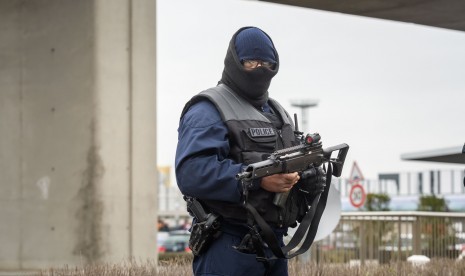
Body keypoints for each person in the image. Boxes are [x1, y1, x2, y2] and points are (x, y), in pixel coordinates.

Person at [175, 26, 326, 276]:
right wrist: (258, 180)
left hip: (274, 244)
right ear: (234, 62)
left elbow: (290, 172)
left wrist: (308, 179)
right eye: (251, 62)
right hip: (227, 244)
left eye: (267, 63)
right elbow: (191, 173)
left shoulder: (279, 114)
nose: (260, 69)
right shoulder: (208, 109)